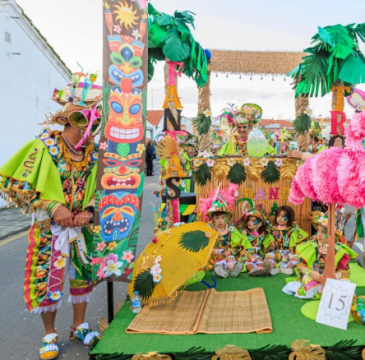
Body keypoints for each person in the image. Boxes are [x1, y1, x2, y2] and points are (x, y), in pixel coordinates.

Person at [0, 74, 101, 359]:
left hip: (83, 230)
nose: (93, 127)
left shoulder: (93, 154)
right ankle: (49, 334)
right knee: (49, 278)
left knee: (82, 277)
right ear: (73, 118)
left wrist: (89, 210)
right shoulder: (43, 146)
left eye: (95, 121)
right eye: (89, 119)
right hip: (50, 230)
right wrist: (53, 207)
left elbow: (103, 188)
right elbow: (15, 183)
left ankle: (79, 326)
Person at [282, 209, 357, 299]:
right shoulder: (312, 246)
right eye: (318, 230)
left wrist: (335, 276)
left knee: (346, 284)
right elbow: (300, 266)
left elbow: (346, 272)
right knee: (309, 285)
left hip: (332, 279)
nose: (319, 234)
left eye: (324, 232)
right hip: (313, 277)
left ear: (334, 235)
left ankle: (327, 291)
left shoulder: (339, 250)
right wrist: (311, 273)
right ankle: (327, 292)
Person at [206, 196, 251, 278]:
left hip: (227, 253)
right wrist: (212, 250)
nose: (220, 220)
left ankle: (234, 269)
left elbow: (238, 244)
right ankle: (220, 271)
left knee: (230, 260)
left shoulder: (231, 229)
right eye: (217, 218)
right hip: (215, 254)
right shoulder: (209, 230)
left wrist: (231, 251)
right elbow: (204, 244)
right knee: (216, 262)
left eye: (222, 218)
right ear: (213, 219)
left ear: (227, 218)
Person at [269, 206, 309, 276]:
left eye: (283, 216)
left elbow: (301, 243)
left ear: (289, 217)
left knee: (297, 258)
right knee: (269, 256)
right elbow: (271, 244)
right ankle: (271, 269)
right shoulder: (273, 229)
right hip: (277, 252)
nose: (280, 218)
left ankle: (288, 268)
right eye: (278, 216)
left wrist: (293, 251)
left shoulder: (294, 229)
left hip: (290, 252)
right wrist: (272, 245)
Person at [236, 208, 276, 277]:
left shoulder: (264, 234)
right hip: (247, 253)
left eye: (253, 221)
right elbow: (242, 246)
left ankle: (263, 269)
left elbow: (267, 246)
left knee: (259, 260)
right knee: (248, 262)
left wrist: (271, 245)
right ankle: (252, 270)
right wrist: (249, 255)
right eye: (248, 220)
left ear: (260, 223)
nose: (249, 222)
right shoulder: (244, 233)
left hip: (258, 253)